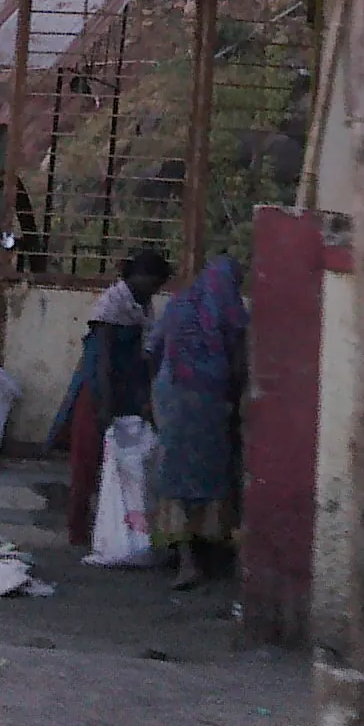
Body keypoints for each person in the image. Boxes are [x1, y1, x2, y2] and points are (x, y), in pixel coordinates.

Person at [48, 248, 171, 549]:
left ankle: (113, 528)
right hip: (98, 391)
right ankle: (78, 532)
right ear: (139, 276)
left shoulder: (141, 305)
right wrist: (104, 404)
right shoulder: (113, 304)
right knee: (87, 462)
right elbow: (101, 360)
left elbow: (143, 356)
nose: (154, 290)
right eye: (153, 282)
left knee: (120, 464)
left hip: (127, 391)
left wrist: (143, 399)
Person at [147, 252, 248, 591]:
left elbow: (153, 349)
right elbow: (238, 364)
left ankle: (185, 557)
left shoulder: (178, 305)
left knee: (174, 474)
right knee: (213, 474)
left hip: (172, 398)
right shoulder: (231, 312)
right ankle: (209, 553)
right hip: (211, 403)